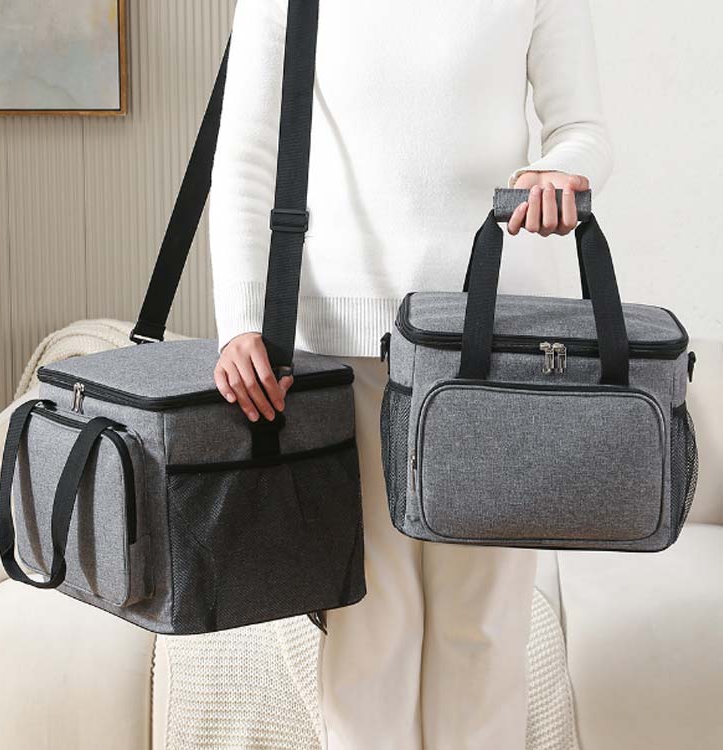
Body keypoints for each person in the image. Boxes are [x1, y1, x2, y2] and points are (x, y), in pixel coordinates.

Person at [209, 1, 612, 747]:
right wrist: (240, 319)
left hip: (494, 341)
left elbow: (582, 127)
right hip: (341, 344)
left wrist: (561, 170)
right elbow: (247, 150)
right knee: (369, 623)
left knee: (483, 627)